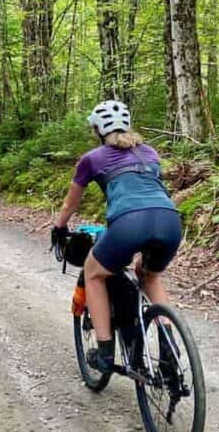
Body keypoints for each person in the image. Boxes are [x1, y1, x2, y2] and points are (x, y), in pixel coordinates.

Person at [52, 100, 182, 373]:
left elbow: (70, 204)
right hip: (170, 220)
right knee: (149, 275)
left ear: (99, 131)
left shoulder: (92, 159)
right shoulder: (149, 152)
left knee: (94, 272)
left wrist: (59, 228)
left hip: (129, 223)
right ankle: (170, 347)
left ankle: (105, 352)